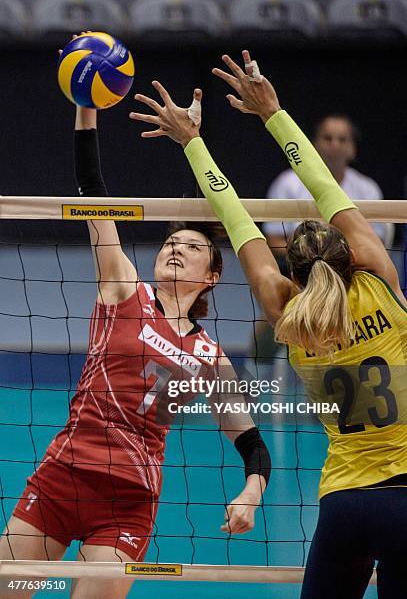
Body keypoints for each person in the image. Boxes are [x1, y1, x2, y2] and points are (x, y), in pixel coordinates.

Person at [130, 52, 407, 598]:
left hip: (345, 502)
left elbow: (234, 217)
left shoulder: (289, 316)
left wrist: (192, 142)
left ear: (293, 273)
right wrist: (273, 112)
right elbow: (327, 186)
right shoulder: (381, 278)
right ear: (351, 253)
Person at [0, 81, 271, 599]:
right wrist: (86, 114)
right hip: (62, 479)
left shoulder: (212, 359)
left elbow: (253, 445)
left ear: (212, 276)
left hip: (127, 504)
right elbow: (92, 190)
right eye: (171, 242)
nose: (175, 249)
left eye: (191, 247)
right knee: (12, 590)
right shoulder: (122, 286)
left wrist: (251, 494)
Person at [264, 113, 393, 258]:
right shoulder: (287, 183)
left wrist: (339, 259)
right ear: (313, 145)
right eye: (327, 138)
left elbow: (378, 242)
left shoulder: (368, 189)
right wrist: (309, 259)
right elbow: (274, 240)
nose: (334, 145)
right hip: (301, 270)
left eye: (342, 139)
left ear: (353, 148)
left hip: (354, 269)